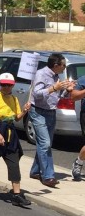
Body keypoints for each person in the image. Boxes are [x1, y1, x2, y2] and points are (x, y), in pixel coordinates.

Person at [0, 73, 32, 207]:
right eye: (3, 84)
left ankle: (16, 194)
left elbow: (17, 118)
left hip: (10, 132)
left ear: (13, 85)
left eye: (8, 85)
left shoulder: (14, 99)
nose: (6, 87)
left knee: (13, 162)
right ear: (0, 84)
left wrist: (25, 110)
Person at [28, 53, 73, 187]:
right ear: (56, 65)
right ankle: (48, 176)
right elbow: (37, 93)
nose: (64, 68)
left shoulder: (56, 76)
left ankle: (35, 171)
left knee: (45, 144)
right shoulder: (41, 74)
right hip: (38, 112)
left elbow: (58, 96)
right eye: (63, 65)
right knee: (45, 143)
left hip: (51, 112)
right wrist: (54, 88)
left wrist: (67, 90)